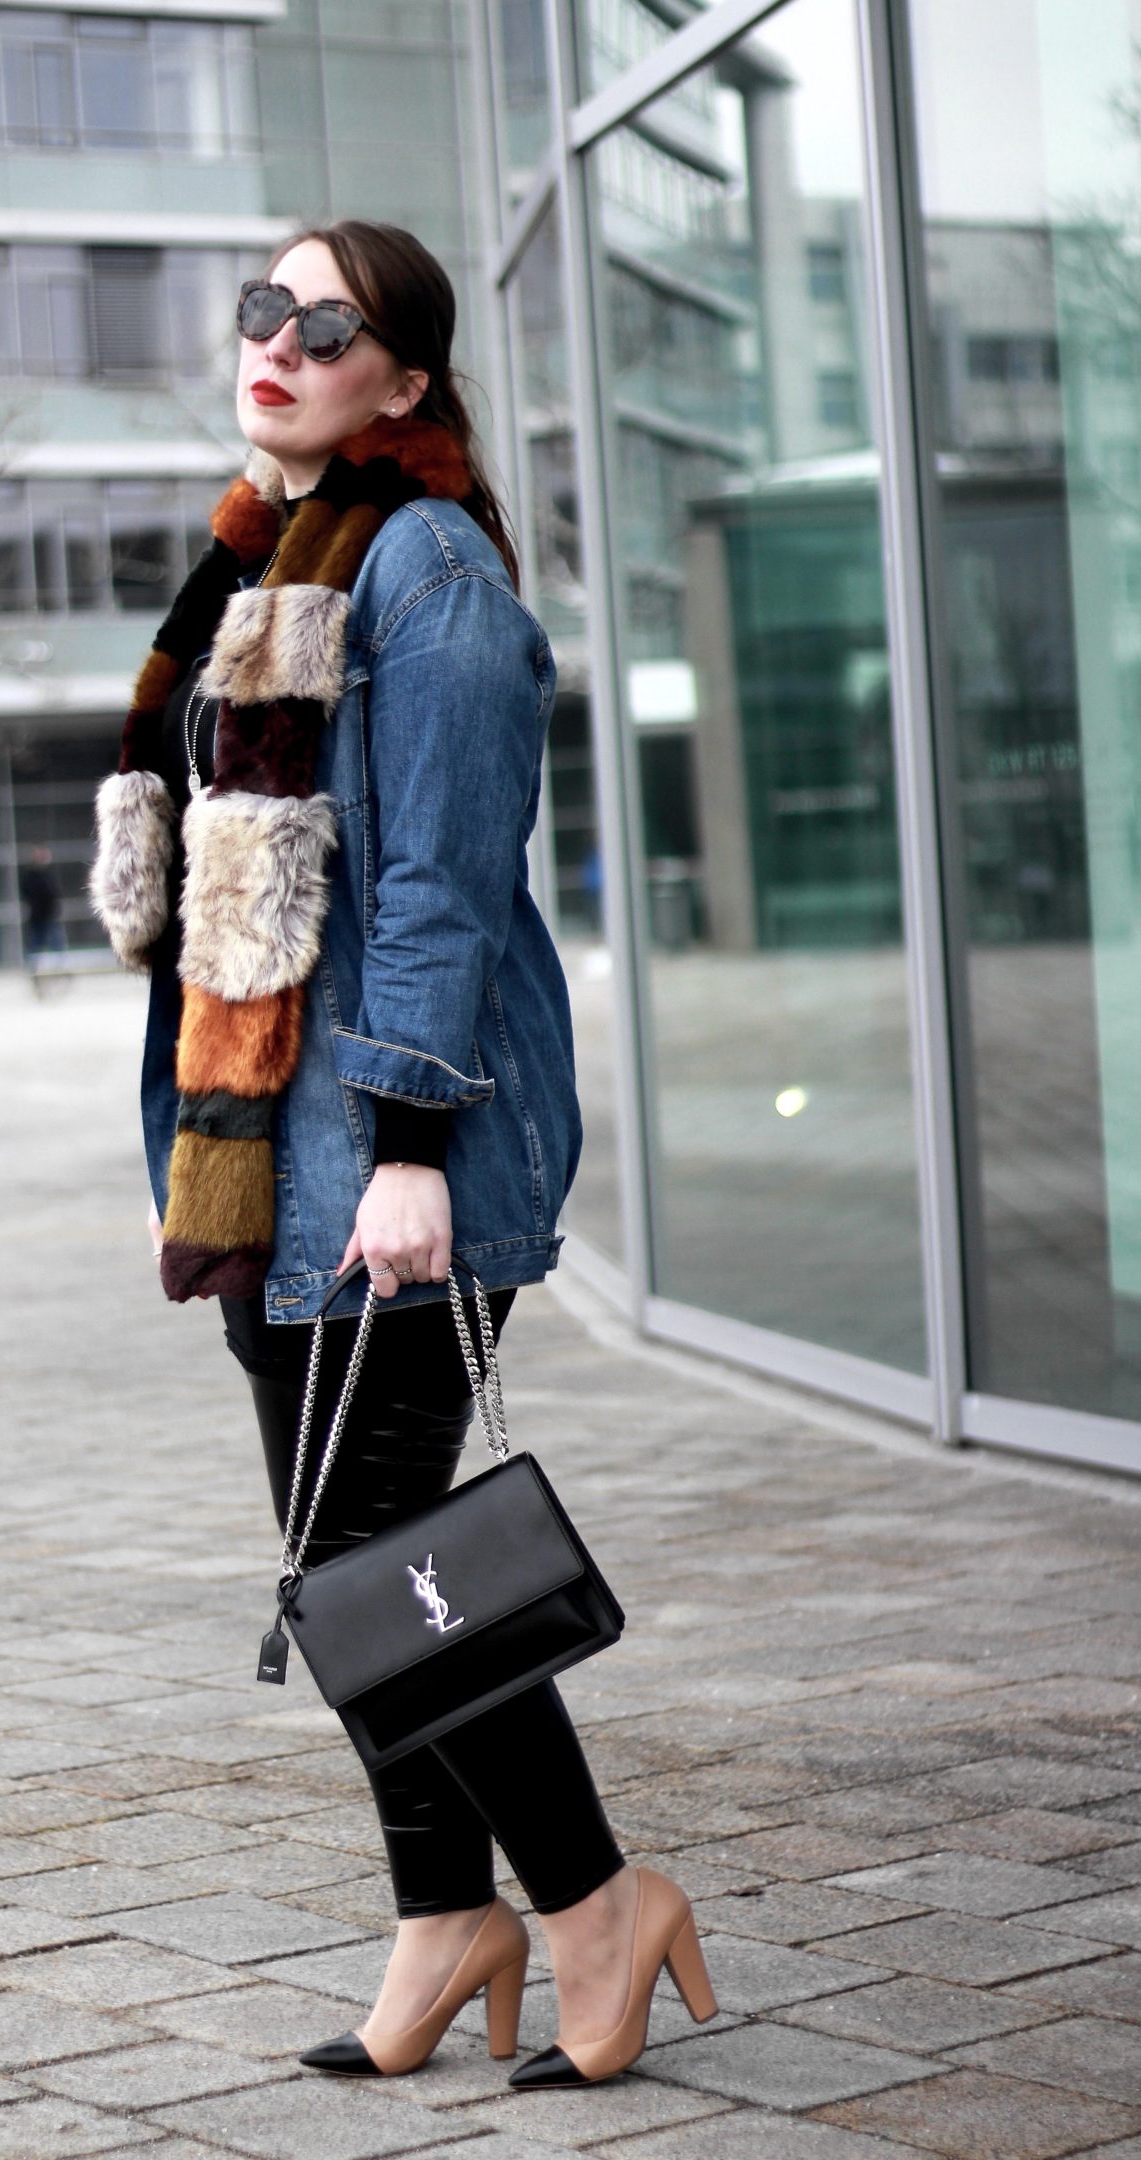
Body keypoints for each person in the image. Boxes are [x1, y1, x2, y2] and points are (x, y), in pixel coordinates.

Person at [90, 220, 716, 2089]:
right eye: (262, 310)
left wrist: (416, 1147)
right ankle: (447, 1914)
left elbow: (444, 886)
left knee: (374, 1558)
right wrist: (195, 1170)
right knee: (334, 1566)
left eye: (328, 323)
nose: (278, 340)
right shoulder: (248, 565)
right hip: (269, 1161)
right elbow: (222, 909)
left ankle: (601, 1902)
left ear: (407, 378)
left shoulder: (428, 575)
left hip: (400, 1146)